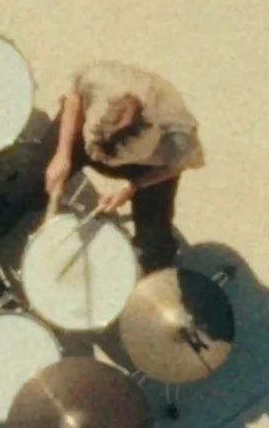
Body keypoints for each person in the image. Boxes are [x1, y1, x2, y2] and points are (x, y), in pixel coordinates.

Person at [37, 59, 205, 271]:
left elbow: (176, 166)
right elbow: (74, 96)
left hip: (146, 166)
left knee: (154, 245)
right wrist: (62, 155)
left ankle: (158, 271)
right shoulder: (102, 79)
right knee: (37, 173)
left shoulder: (178, 134)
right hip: (94, 141)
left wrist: (133, 187)